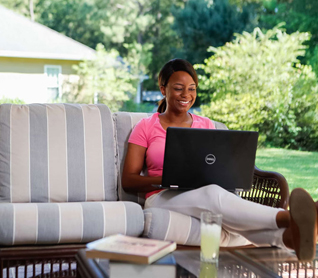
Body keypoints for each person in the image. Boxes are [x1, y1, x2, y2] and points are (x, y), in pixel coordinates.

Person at [122, 58, 317, 261]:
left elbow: (216, 165)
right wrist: (166, 178)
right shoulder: (145, 126)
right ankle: (289, 218)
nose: (186, 95)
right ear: (164, 89)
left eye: (192, 88)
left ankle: (289, 239)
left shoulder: (206, 125)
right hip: (161, 197)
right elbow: (128, 181)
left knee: (227, 217)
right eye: (179, 88)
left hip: (202, 195)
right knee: (212, 195)